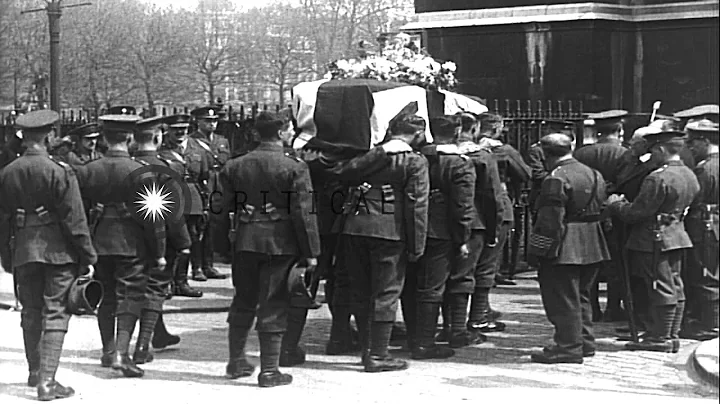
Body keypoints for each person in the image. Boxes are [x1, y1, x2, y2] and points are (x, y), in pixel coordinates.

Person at [0, 110, 97, 400]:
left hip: (23, 251)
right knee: (55, 312)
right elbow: (74, 220)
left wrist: (6, 255)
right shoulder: (60, 170)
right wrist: (88, 256)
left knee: (30, 312)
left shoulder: (7, 172)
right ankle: (47, 382)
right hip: (57, 251)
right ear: (50, 135)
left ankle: (35, 373)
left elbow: (2, 219)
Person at [220, 112, 320, 387]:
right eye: (289, 130)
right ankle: (269, 370)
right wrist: (311, 252)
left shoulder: (234, 166)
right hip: (280, 244)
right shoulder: (295, 167)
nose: (290, 135)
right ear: (279, 133)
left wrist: (222, 247)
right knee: (274, 303)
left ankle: (236, 361)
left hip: (245, 241)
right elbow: (304, 213)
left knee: (243, 300)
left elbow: (219, 210)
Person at [337, 113, 429, 372]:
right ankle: (377, 354)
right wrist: (417, 244)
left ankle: (368, 349)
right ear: (418, 134)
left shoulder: (372, 157)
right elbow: (416, 205)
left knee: (361, 290)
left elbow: (345, 172)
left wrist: (379, 151)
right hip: (390, 232)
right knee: (386, 293)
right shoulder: (414, 161)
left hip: (355, 228)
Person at [79, 114, 166, 377]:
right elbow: (154, 218)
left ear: (104, 139)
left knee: (105, 296)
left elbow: (79, 212)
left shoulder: (87, 170)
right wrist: (159, 252)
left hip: (99, 241)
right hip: (132, 242)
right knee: (131, 296)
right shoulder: (143, 171)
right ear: (129, 138)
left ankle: (108, 351)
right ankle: (121, 353)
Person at [607, 125, 700, 352]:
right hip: (677, 235)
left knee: (659, 285)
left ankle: (659, 337)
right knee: (675, 285)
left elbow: (637, 212)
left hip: (653, 238)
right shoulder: (689, 173)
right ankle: (670, 333)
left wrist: (616, 204)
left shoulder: (657, 178)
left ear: (660, 150)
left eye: (653, 150)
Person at [528, 133, 611, 364]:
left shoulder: (555, 178)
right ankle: (584, 342)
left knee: (562, 298)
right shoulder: (594, 173)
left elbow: (549, 222)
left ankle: (567, 347)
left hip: (565, 245)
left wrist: (538, 251)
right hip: (592, 242)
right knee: (582, 296)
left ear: (545, 154)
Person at [402, 116, 475, 360]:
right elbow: (463, 205)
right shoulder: (459, 164)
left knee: (411, 284)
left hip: (411, 226)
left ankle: (414, 336)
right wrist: (463, 237)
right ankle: (424, 343)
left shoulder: (415, 157)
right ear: (456, 133)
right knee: (432, 288)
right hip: (441, 231)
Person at [130, 116, 193, 362]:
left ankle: (159, 333)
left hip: (128, 238)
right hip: (159, 238)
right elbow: (174, 211)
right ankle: (143, 345)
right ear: (157, 138)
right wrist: (184, 243)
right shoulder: (166, 168)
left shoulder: (129, 165)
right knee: (156, 288)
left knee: (136, 288)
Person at [574, 110, 629, 322]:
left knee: (591, 262)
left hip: (589, 213)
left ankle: (592, 307)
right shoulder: (625, 154)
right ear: (620, 130)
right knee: (616, 261)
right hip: (616, 212)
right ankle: (614, 307)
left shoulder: (582, 154)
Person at [476, 112, 531, 286]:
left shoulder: (468, 149)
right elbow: (524, 174)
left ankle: (493, 273)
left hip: (473, 204)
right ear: (495, 129)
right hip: (499, 198)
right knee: (494, 248)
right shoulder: (504, 150)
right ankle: (483, 300)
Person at [680, 119, 719, 340]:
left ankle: (711, 326)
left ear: (705, 141)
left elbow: (695, 199)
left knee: (706, 274)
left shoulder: (705, 169)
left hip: (706, 226)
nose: (691, 147)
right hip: (713, 224)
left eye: (693, 142)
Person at [159, 114, 204, 298]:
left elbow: (204, 174)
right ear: (167, 131)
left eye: (183, 129)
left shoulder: (197, 150)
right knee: (171, 241)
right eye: (175, 129)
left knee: (191, 239)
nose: (179, 133)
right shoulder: (160, 153)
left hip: (192, 199)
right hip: (171, 198)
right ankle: (166, 282)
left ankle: (182, 282)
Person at [189, 106, 230, 280]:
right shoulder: (190, 141)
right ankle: (197, 267)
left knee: (214, 227)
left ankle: (209, 264)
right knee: (198, 228)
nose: (212, 124)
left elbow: (226, 164)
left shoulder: (222, 141)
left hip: (219, 187)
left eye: (214, 121)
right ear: (197, 122)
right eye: (207, 121)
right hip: (201, 187)